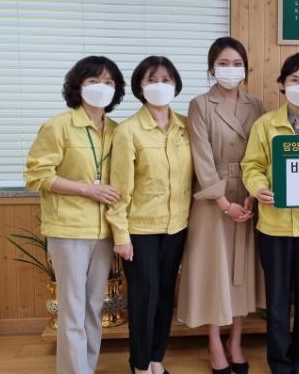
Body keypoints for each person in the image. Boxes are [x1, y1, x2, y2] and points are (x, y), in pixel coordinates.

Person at [24, 56, 125, 374]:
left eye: (108, 82)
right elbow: (37, 175)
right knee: (72, 309)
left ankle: (86, 367)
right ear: (77, 87)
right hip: (68, 230)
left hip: (104, 231)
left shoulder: (117, 131)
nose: (101, 87)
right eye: (93, 81)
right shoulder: (58, 126)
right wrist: (86, 189)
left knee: (94, 307)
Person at [241, 52, 299, 374]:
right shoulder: (265, 124)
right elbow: (251, 165)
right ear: (283, 84)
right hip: (274, 226)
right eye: (294, 79)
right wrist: (258, 188)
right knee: (277, 300)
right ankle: (280, 364)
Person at [177, 37, 265, 374]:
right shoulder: (200, 105)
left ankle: (236, 341)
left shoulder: (256, 104)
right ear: (212, 68)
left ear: (246, 67)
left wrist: (253, 193)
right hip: (212, 197)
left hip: (248, 193)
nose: (231, 69)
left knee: (242, 270)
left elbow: (262, 153)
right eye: (223, 63)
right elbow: (201, 159)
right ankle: (214, 342)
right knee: (215, 270)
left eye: (237, 63)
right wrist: (224, 203)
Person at [106, 56, 193, 374]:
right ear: (140, 87)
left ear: (176, 84)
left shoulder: (186, 126)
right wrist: (121, 236)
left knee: (166, 294)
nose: (160, 85)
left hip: (177, 226)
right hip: (140, 229)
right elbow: (119, 190)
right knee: (145, 296)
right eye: (151, 80)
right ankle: (140, 365)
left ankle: (157, 359)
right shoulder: (128, 131)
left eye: (166, 79)